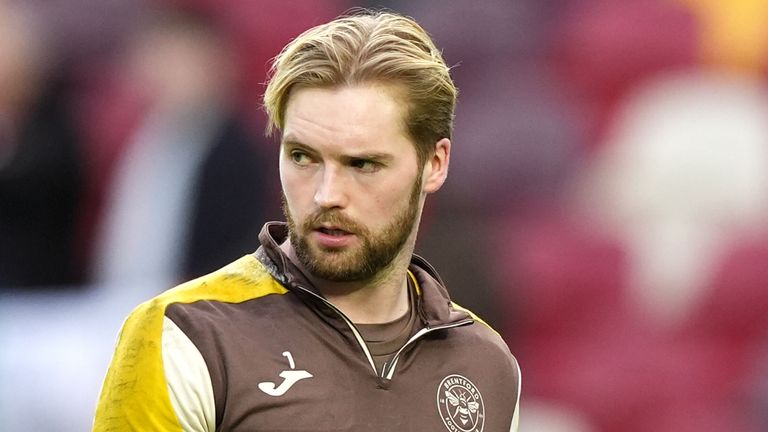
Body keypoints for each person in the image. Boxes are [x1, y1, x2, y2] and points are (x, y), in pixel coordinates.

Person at [93, 10, 521, 432]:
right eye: (302, 157)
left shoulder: (487, 365)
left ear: (435, 163)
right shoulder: (184, 335)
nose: (326, 194)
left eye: (363, 163)